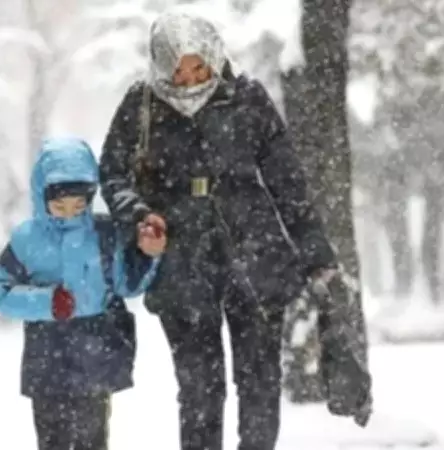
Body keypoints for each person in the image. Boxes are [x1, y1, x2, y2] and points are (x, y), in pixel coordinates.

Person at [99, 10, 337, 450]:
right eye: (177, 69)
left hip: (254, 256)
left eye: (197, 67)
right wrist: (139, 216)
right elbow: (112, 173)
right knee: (199, 390)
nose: (188, 80)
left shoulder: (247, 98)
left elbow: (288, 183)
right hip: (181, 265)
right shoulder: (142, 103)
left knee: (260, 383)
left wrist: (317, 255)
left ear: (213, 56)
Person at [0, 137, 166, 450]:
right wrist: (46, 302)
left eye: (79, 204)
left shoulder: (105, 234)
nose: (69, 212)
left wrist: (148, 255)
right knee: (52, 439)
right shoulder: (27, 238)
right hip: (47, 355)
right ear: (42, 196)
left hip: (95, 354)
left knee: (92, 440)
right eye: (59, 205)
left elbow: (126, 285)